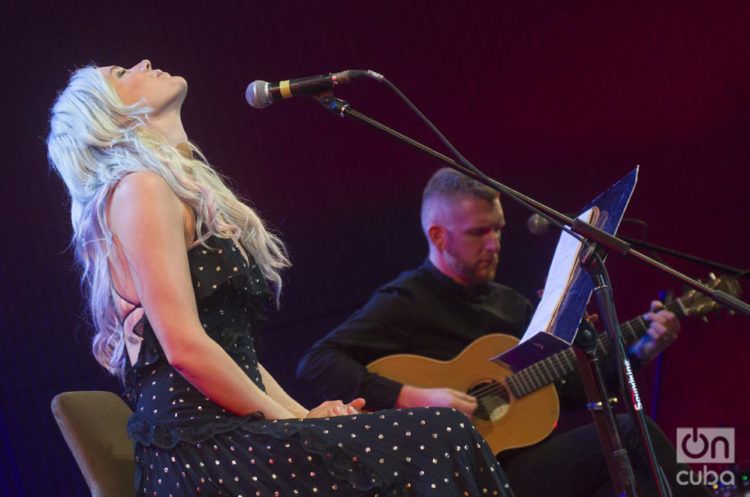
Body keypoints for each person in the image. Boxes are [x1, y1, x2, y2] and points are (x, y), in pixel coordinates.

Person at [47, 60, 516, 497]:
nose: (144, 63)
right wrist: (297, 424)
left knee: (442, 434)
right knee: (443, 433)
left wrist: (301, 414)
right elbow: (186, 350)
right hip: (198, 452)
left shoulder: (165, 189)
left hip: (232, 431)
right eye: (123, 72)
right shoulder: (139, 188)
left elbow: (233, 354)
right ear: (110, 115)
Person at [297, 167, 710, 497]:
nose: (494, 244)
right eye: (479, 232)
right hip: (451, 476)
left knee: (624, 469)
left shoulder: (510, 305)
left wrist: (639, 351)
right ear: (438, 236)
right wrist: (416, 396)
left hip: (518, 467)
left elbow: (567, 387)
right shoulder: (404, 301)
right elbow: (316, 363)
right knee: (631, 436)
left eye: (498, 229)